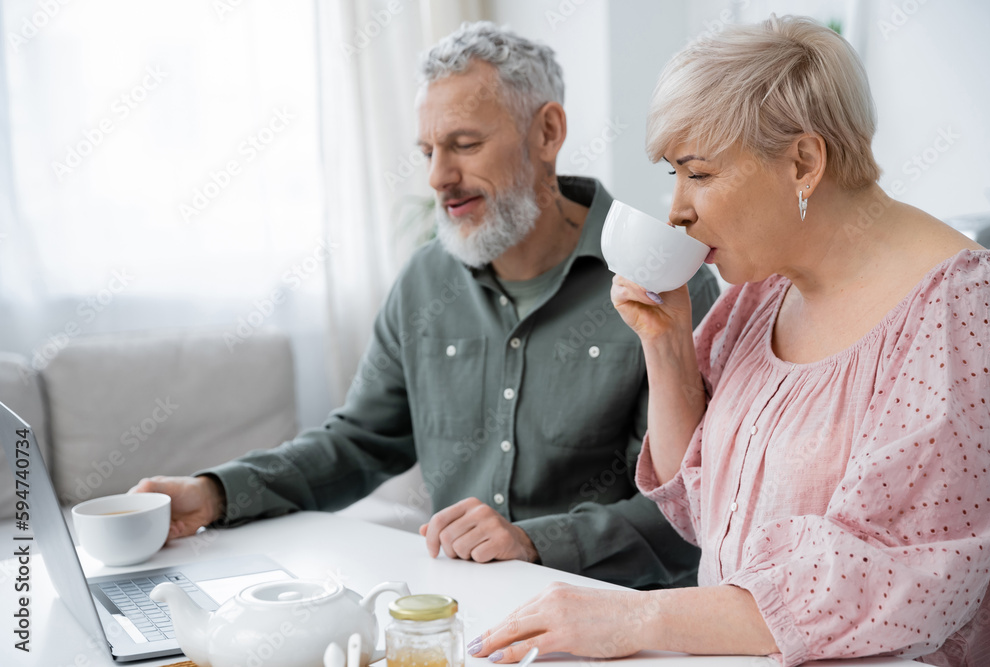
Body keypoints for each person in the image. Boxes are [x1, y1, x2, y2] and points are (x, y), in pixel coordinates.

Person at [469, 15, 990, 667]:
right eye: (673, 175)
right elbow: (699, 511)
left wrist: (635, 615)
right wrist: (665, 347)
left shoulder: (963, 308)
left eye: (698, 174)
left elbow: (880, 577)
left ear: (803, 162)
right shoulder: (760, 290)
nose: (676, 210)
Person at [133, 22, 720, 590]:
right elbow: (356, 443)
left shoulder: (665, 287)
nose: (439, 176)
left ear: (547, 133)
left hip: (609, 622)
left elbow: (687, 511)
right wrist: (214, 493)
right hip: (458, 610)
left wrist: (532, 542)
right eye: (428, 151)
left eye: (464, 144)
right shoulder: (424, 281)